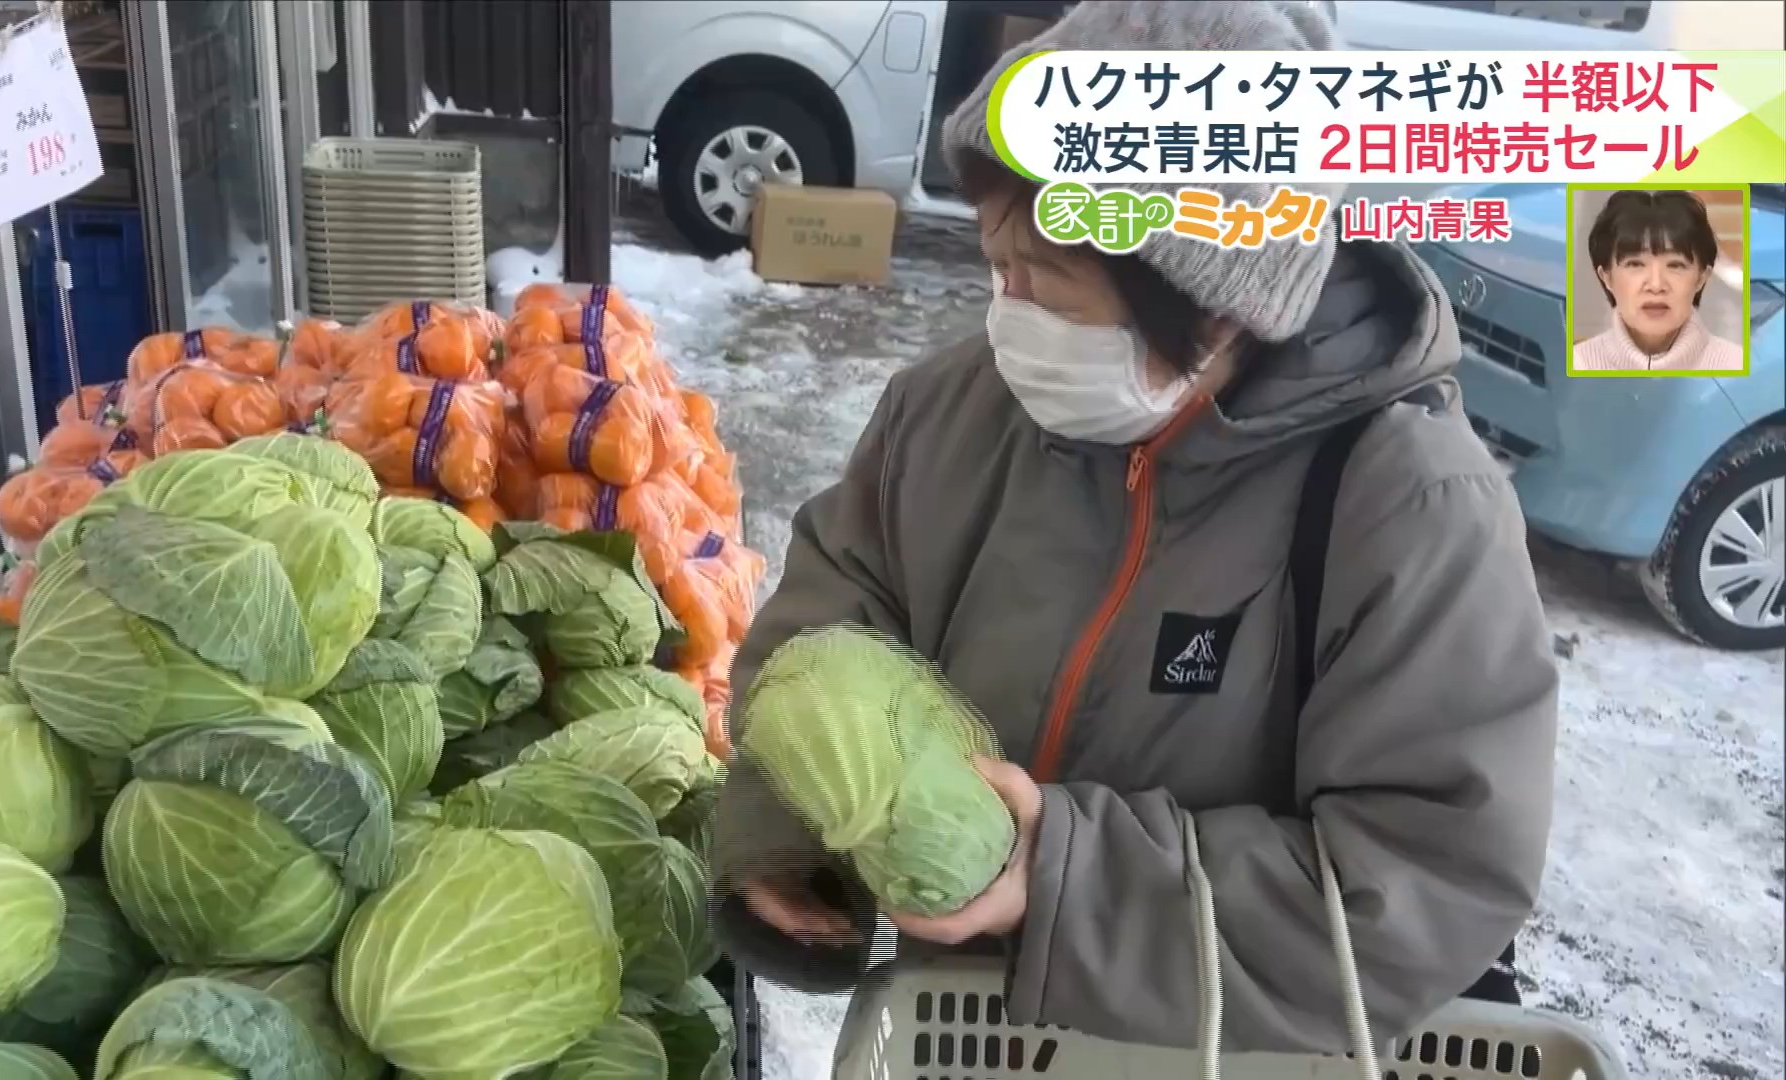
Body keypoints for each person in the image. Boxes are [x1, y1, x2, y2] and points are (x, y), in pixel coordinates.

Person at [709, 0, 1557, 1055]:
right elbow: (832, 621)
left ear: (1215, 301)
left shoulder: (1411, 510)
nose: (1011, 311)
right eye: (999, 264)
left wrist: (1061, 876)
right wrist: (789, 828)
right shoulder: (949, 412)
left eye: (1052, 282)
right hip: (969, 1038)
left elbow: (1420, 884)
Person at [1572, 189, 1744, 373]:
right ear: (1606, 277)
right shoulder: (1577, 363)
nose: (1656, 286)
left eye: (1675, 265)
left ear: (1701, 278)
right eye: (1635, 264)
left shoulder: (1737, 364)